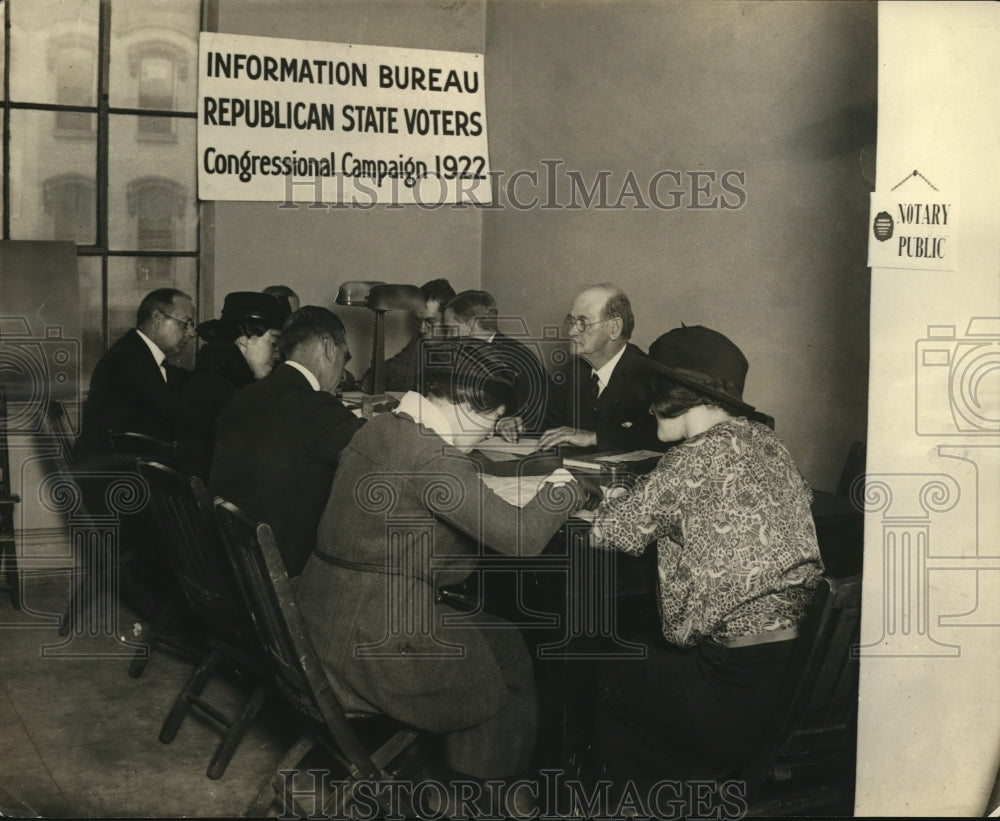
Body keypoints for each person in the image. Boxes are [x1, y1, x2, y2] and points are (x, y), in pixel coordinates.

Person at [295, 339, 591, 782]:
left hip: (316, 621)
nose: (489, 432)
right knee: (490, 674)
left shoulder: (378, 428)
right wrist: (572, 486)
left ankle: (467, 772)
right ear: (468, 404)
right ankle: (483, 789)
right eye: (491, 419)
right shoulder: (433, 458)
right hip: (370, 647)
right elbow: (522, 538)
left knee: (504, 638)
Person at [585, 325, 824, 790]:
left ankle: (629, 798)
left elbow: (606, 533)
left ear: (673, 397)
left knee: (606, 664)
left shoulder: (687, 462)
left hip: (731, 694)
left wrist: (615, 499)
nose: (647, 405)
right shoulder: (768, 443)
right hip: (796, 679)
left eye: (653, 393)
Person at [210, 306, 364, 577]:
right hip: (282, 574)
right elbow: (378, 447)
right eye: (345, 355)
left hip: (231, 561)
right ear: (329, 348)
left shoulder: (244, 396)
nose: (343, 369)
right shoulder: (315, 408)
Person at [72, 287, 196, 506]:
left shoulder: (134, 352)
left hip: (113, 478)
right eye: (185, 323)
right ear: (158, 318)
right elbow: (168, 412)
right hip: (116, 488)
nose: (191, 333)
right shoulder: (130, 362)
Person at [174, 292, 287, 479]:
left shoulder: (215, 376)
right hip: (217, 499)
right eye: (274, 343)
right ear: (244, 338)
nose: (277, 355)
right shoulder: (225, 389)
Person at [539, 284, 662, 452]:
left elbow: (658, 438)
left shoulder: (648, 377)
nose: (572, 332)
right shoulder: (571, 372)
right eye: (571, 321)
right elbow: (547, 426)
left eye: (583, 322)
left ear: (614, 328)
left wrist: (594, 438)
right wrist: (519, 425)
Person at [442, 289, 549, 437]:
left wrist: (502, 424)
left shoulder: (516, 358)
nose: (447, 337)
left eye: (450, 329)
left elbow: (532, 415)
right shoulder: (468, 354)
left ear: (471, 325)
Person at [360, 278, 456, 393]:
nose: (422, 329)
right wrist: (371, 379)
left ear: (449, 317)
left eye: (430, 321)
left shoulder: (462, 352)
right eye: (418, 321)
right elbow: (390, 371)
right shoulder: (419, 343)